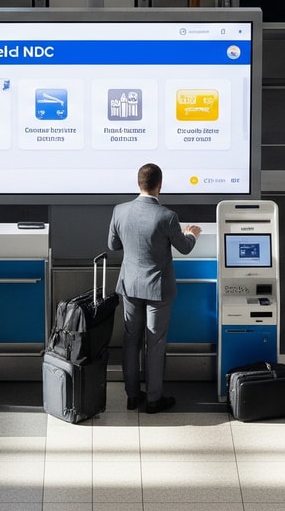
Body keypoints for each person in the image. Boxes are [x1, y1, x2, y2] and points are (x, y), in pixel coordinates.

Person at [107, 163, 200, 414]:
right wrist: (191, 234)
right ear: (160, 185)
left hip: (129, 285)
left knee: (130, 340)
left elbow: (113, 244)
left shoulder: (120, 211)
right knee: (155, 343)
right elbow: (185, 247)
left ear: (138, 184)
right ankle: (154, 399)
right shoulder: (167, 216)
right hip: (158, 288)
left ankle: (132, 395)